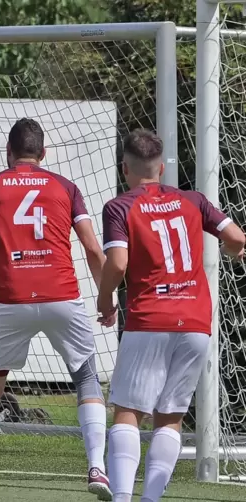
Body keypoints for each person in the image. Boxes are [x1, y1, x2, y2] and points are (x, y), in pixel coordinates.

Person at [0, 118, 111, 502]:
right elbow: (94, 250)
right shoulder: (66, 187)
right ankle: (97, 466)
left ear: (9, 153)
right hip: (61, 295)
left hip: (9, 297)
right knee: (85, 378)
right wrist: (106, 299)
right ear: (43, 154)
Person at [97, 129, 245, 502]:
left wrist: (105, 299)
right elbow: (238, 238)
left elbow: (117, 262)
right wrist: (229, 250)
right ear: (161, 168)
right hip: (196, 320)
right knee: (170, 417)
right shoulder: (194, 200)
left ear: (124, 168)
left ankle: (121, 499)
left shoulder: (120, 206)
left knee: (128, 411)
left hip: (151, 318)